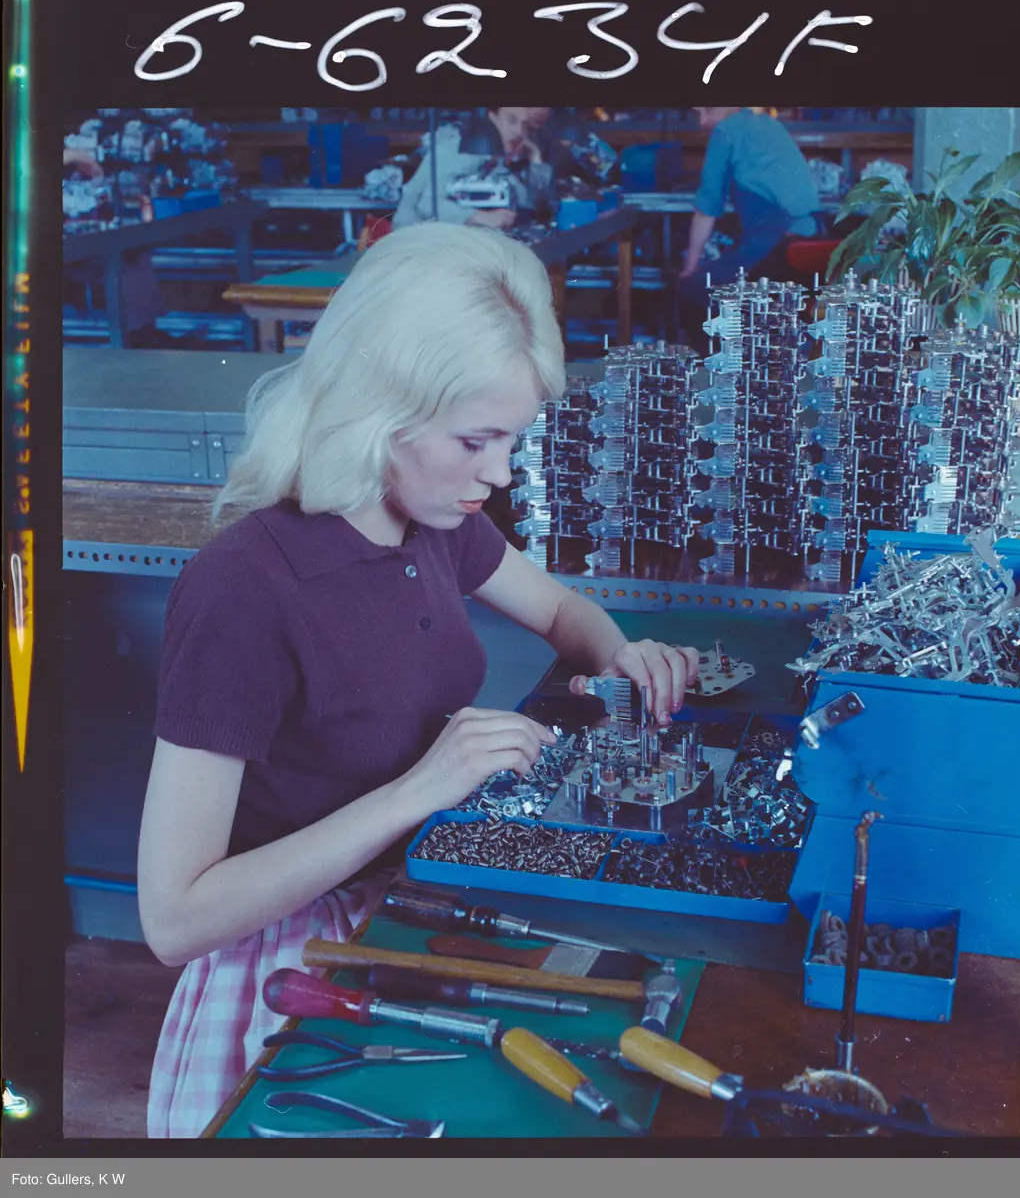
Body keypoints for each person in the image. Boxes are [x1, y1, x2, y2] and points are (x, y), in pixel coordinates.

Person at [138, 220, 702, 1137]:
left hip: (415, 902)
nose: (500, 473)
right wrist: (421, 788)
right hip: (292, 962)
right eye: (477, 440)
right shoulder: (243, 588)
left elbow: (563, 611)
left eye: (511, 440)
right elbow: (174, 919)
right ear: (380, 409)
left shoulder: (435, 518)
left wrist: (618, 654)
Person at [677, 107, 820, 346]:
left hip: (777, 241)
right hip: (809, 237)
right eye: (697, 113)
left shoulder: (725, 131)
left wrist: (690, 267)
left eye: (708, 111)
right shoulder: (770, 124)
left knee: (696, 290)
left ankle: (721, 365)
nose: (702, 122)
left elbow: (707, 208)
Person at [392, 107, 554, 232]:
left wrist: (535, 157)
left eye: (525, 126)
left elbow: (535, 203)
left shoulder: (499, 155)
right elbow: (427, 204)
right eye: (511, 120)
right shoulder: (466, 148)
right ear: (492, 117)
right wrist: (480, 217)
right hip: (413, 239)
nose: (518, 132)